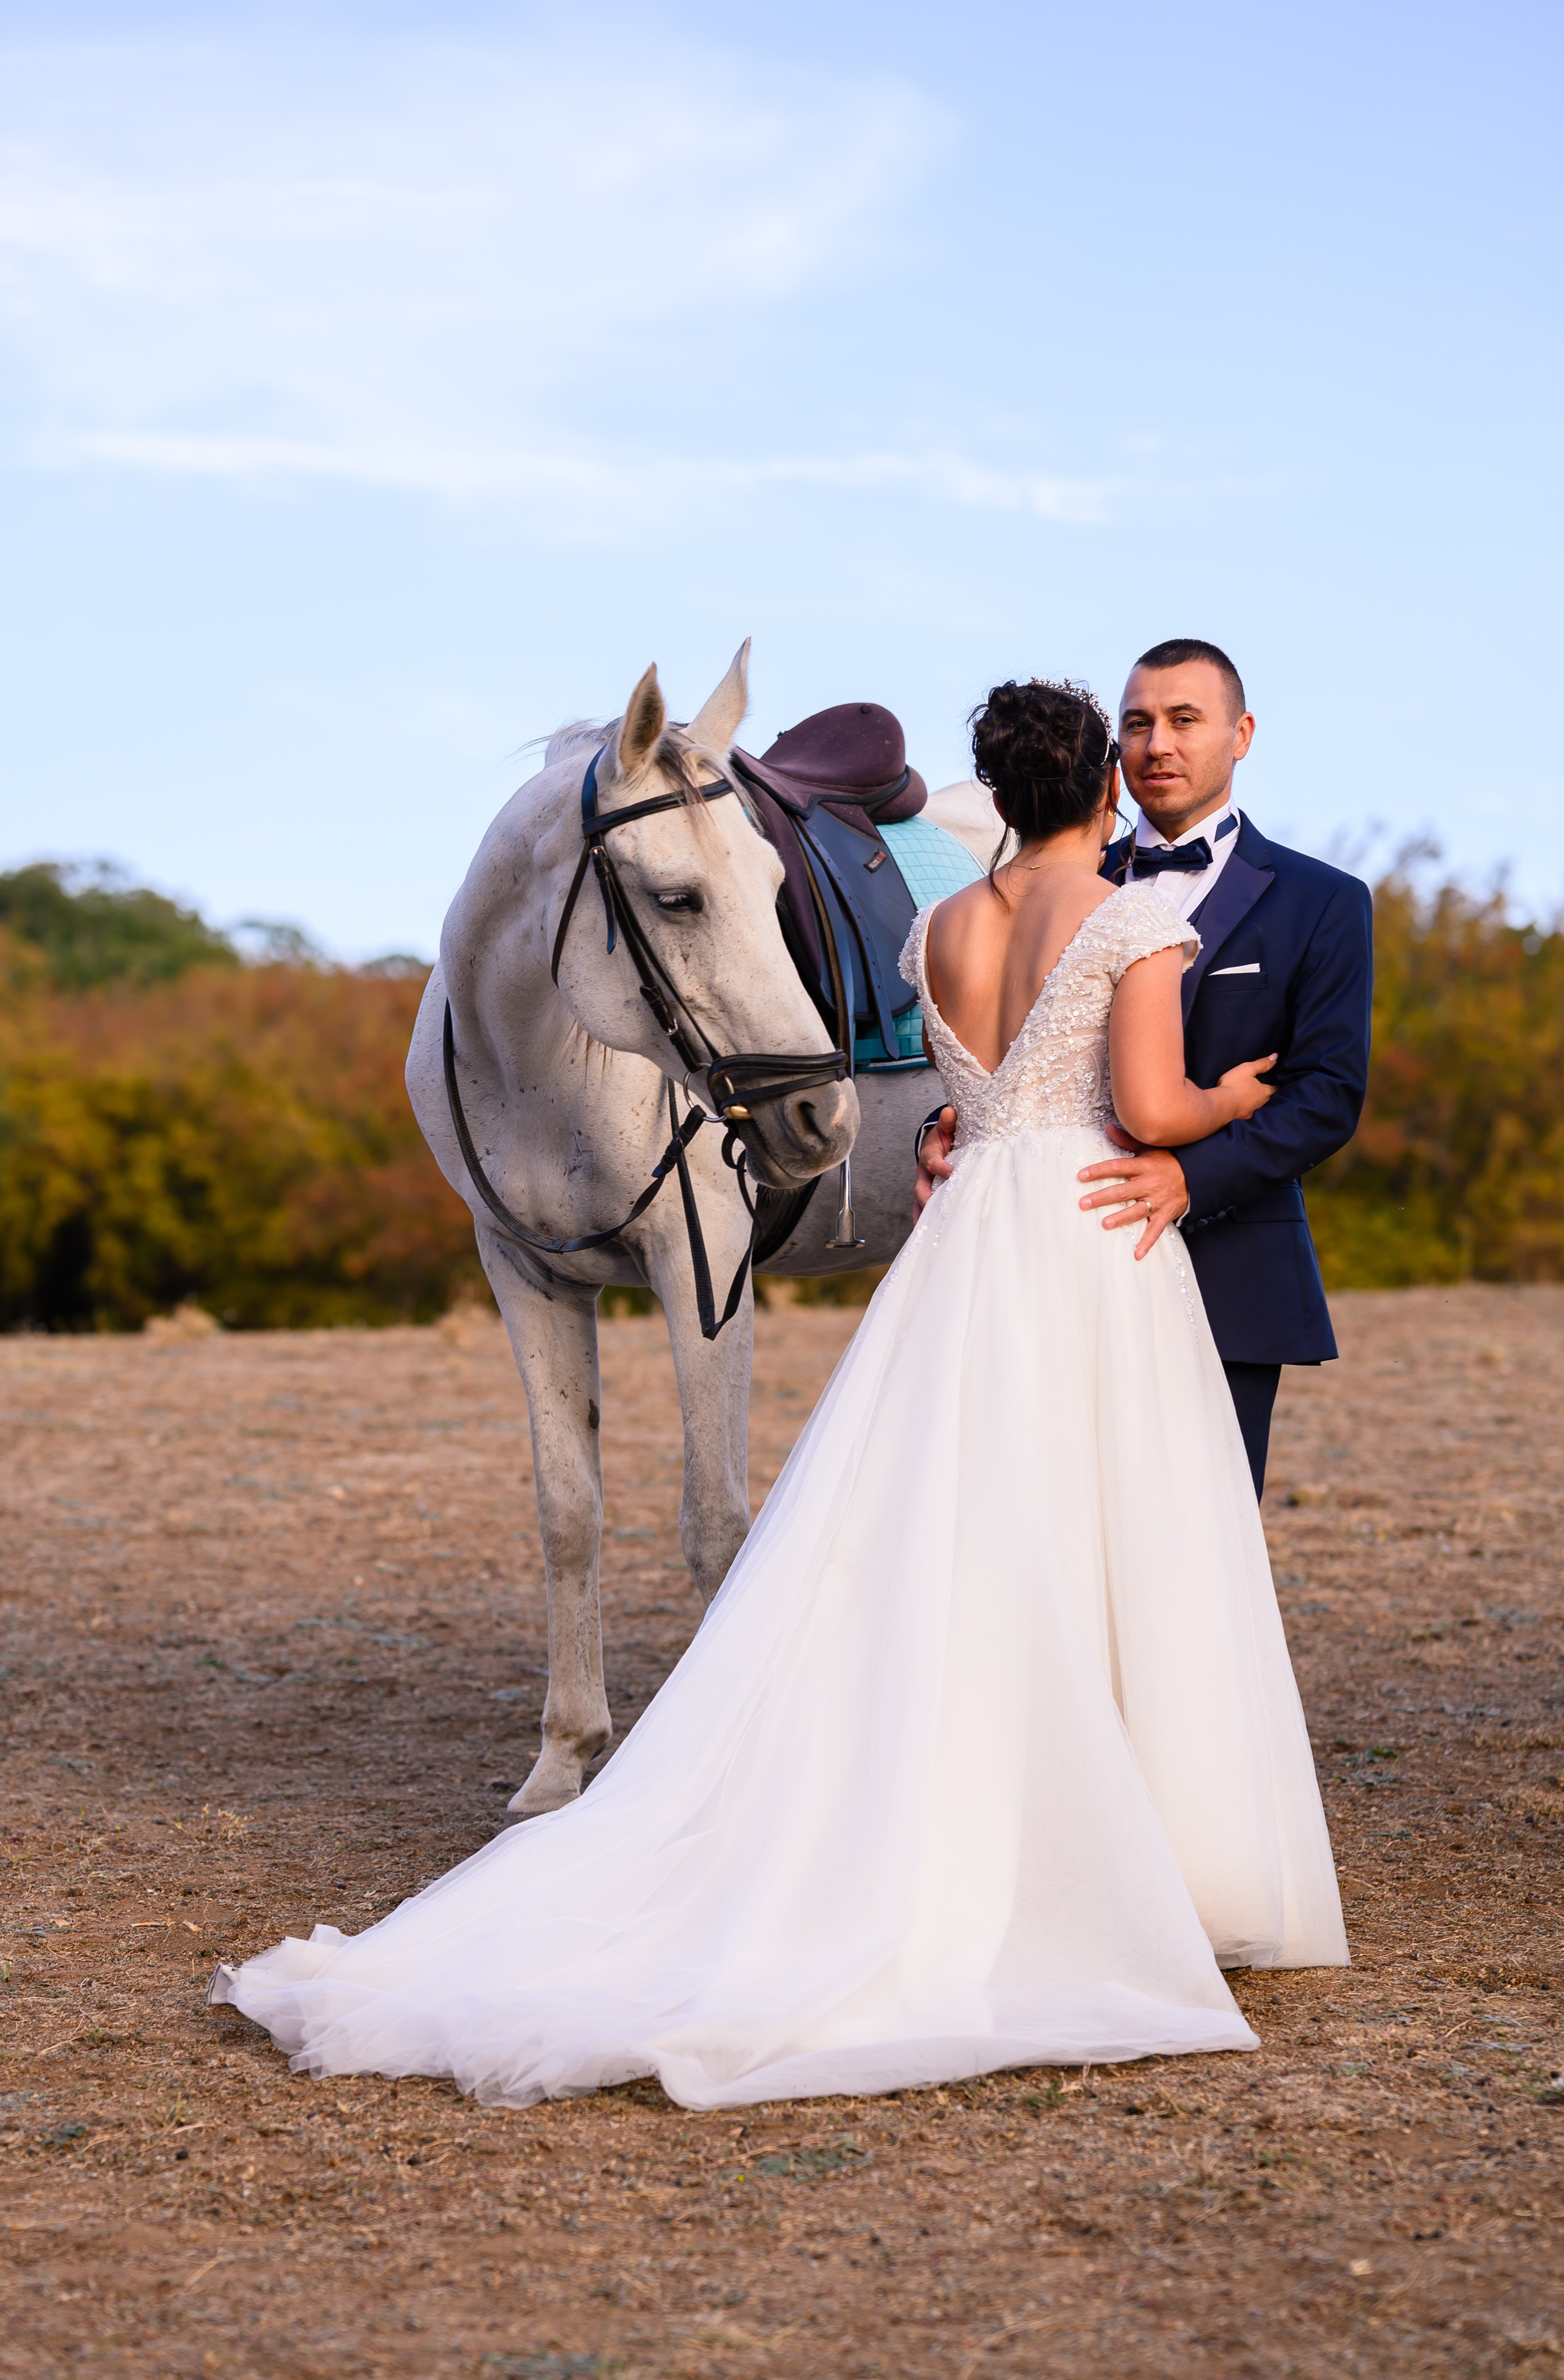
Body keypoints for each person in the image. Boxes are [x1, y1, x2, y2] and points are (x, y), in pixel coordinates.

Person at [210, 678, 1348, 2113]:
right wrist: (1234, 1099)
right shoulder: (1131, 921)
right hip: (1083, 1234)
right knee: (1102, 1527)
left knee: (930, 1530)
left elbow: (961, 1095)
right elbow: (1152, 1107)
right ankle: (1107, 1834)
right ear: (1104, 792)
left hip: (961, 1239)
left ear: (991, 787)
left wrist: (958, 1129)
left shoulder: (938, 927)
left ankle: (933, 1809)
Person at [916, 640, 1372, 1500]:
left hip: (1233, 1270)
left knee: (1197, 1541)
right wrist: (939, 1133)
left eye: (1184, 720)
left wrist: (1189, 1179)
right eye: (1137, 724)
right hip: (1052, 1265)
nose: (1157, 742)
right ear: (1111, 763)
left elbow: (1327, 1095)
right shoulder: (1050, 885)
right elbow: (995, 1065)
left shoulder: (1325, 902)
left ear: (1241, 734)